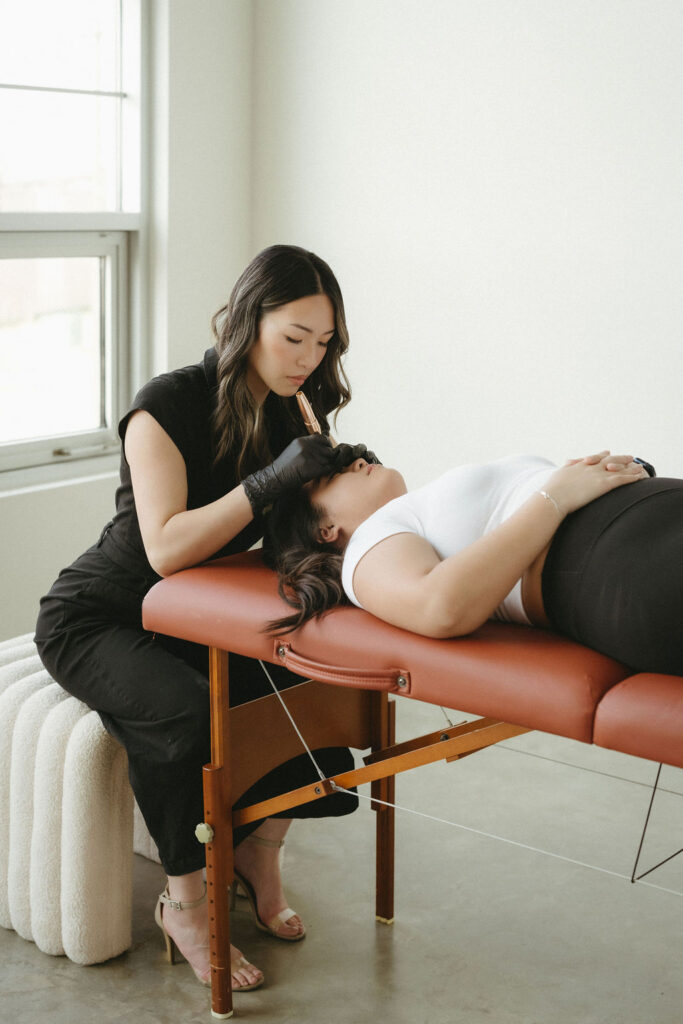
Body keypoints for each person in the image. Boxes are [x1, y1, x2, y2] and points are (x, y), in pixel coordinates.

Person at [35, 245, 377, 993]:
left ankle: (258, 851)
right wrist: (269, 480)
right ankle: (182, 902)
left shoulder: (292, 406)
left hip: (189, 615)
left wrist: (338, 489)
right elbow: (165, 550)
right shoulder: (166, 403)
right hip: (101, 616)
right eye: (294, 337)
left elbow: (292, 533)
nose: (307, 359)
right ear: (248, 320)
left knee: (301, 686)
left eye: (323, 344)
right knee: (186, 713)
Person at [262, 449, 683, 676]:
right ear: (323, 530)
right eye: (331, 476)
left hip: (652, 518)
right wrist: (554, 499)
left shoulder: (420, 506)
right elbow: (438, 607)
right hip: (615, 563)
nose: (356, 461)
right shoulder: (365, 547)